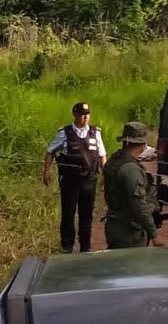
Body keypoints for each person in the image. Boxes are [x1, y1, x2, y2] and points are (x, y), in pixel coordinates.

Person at [43, 101, 107, 254]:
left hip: (89, 180)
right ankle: (67, 246)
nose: (85, 117)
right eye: (82, 114)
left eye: (87, 114)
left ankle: (86, 246)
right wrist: (46, 171)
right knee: (68, 213)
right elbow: (50, 152)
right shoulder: (64, 133)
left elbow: (102, 156)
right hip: (70, 181)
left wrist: (107, 174)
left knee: (86, 214)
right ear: (75, 115)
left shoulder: (95, 133)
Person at [102, 122, 165, 249]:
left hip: (114, 225)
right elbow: (138, 205)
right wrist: (154, 234)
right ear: (142, 145)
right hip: (129, 232)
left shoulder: (115, 161)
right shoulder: (131, 169)